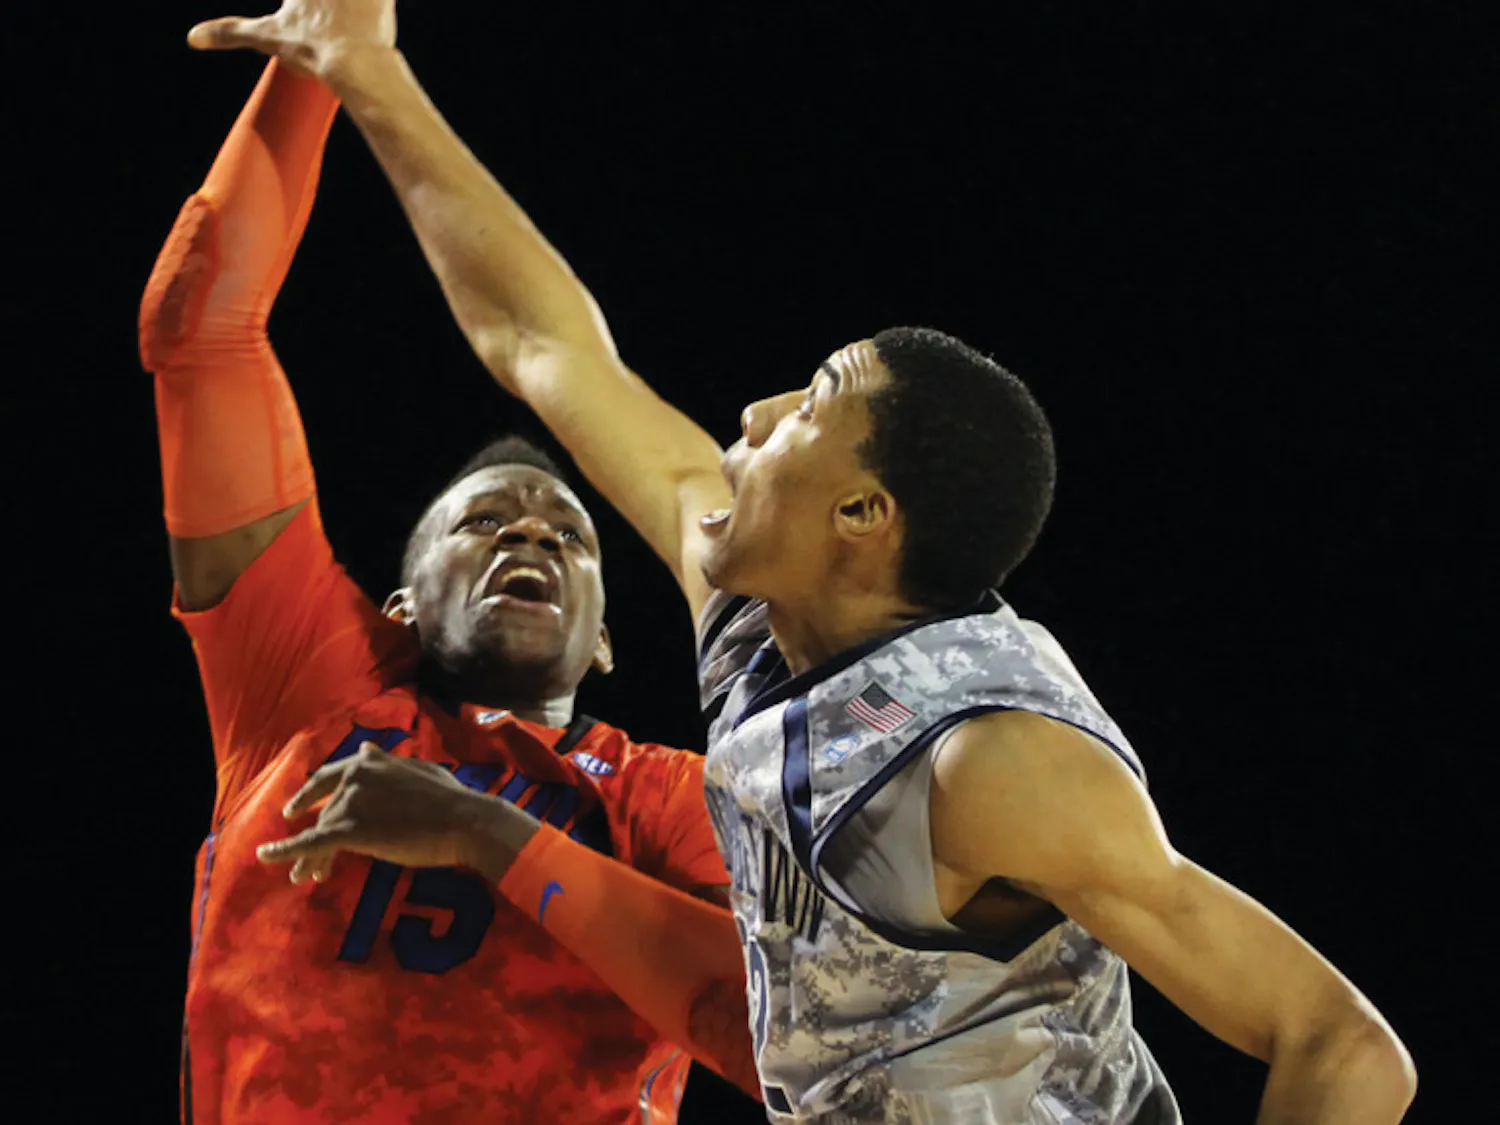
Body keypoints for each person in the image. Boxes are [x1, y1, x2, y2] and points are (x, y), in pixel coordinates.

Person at [185, 3, 1419, 1122]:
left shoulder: (995, 758)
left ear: (865, 513)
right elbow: (542, 343)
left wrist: (499, 845)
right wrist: (367, 73)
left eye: (816, 398)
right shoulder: (758, 610)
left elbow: (1343, 1047)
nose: (762, 411)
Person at [138, 53, 759, 1125]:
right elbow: (200, 331)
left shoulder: (664, 798)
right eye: (484, 521)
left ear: (606, 641)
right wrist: (317, 61)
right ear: (401, 606)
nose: (534, 533)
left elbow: (787, 1040)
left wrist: (490, 836)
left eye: (571, 536)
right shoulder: (310, 692)